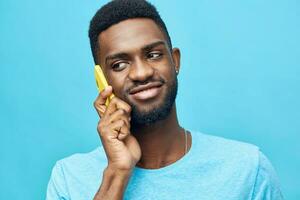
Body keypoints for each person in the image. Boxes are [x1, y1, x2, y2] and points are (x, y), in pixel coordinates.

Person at [46, 0, 283, 199]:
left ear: (175, 60)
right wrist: (118, 172)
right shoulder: (69, 178)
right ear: (102, 80)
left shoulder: (247, 169)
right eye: (119, 65)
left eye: (153, 55)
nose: (142, 73)